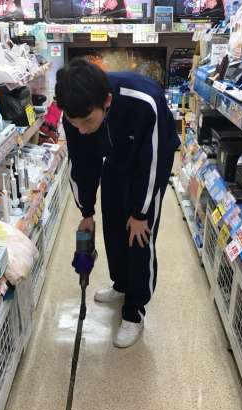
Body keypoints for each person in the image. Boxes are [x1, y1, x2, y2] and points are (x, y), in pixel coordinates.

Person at [55, 58, 180, 348]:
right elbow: (81, 163)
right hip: (114, 158)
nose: (81, 130)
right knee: (112, 225)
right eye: (75, 124)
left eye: (88, 122)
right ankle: (121, 284)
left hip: (150, 162)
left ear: (107, 102)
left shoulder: (144, 101)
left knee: (138, 236)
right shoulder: (76, 113)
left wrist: (140, 213)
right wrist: (86, 211)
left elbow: (154, 162)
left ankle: (135, 311)